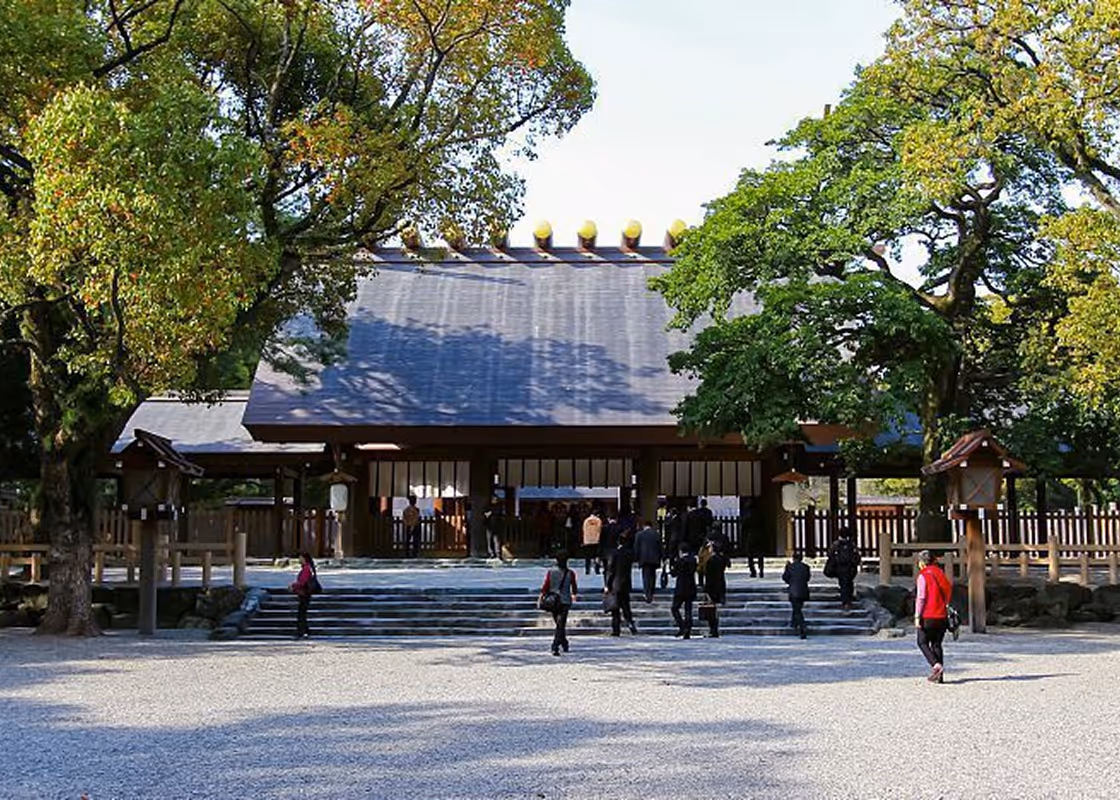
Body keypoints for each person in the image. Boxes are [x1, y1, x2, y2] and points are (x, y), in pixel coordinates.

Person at [915, 549, 952, 683]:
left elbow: (921, 597)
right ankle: (939, 677)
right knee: (937, 644)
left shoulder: (923, 575)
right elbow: (948, 590)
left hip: (927, 615)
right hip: (941, 614)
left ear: (922, 563)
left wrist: (917, 616)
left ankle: (936, 665)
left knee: (922, 642)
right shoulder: (941, 574)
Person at [540, 550, 579, 656]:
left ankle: (558, 644)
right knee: (560, 624)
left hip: (553, 600)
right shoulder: (570, 573)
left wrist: (541, 596)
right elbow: (574, 587)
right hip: (565, 600)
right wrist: (574, 594)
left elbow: (546, 585)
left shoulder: (551, 572)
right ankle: (560, 644)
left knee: (559, 624)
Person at [604, 529, 638, 636]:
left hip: (615, 583)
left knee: (615, 609)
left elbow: (611, 570)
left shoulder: (615, 554)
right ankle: (630, 623)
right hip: (626, 583)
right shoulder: (629, 554)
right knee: (626, 606)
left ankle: (616, 629)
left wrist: (607, 584)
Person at [827, 527, 861, 609]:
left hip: (840, 567)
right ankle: (849, 599)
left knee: (843, 584)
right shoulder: (852, 544)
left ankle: (845, 601)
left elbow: (830, 554)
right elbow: (857, 555)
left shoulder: (836, 544)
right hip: (850, 567)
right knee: (849, 582)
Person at [670, 542, 698, 639]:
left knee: (674, 608)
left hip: (681, 587)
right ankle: (688, 629)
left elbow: (674, 573)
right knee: (688, 609)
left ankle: (682, 626)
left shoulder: (679, 561)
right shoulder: (693, 560)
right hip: (691, 587)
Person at [703, 541, 730, 637]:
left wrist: (706, 590)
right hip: (721, 584)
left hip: (712, 586)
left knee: (711, 609)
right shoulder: (722, 559)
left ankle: (713, 630)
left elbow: (709, 576)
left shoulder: (711, 561)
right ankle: (714, 629)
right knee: (716, 609)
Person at [782, 550, 810, 639]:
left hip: (794, 591)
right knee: (797, 608)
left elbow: (785, 578)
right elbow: (807, 578)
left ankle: (802, 627)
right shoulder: (806, 567)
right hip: (803, 590)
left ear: (793, 558)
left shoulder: (790, 567)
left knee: (797, 610)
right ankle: (793, 623)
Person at [289, 551, 317, 638]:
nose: (299, 559)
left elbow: (302, 582)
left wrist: (293, 586)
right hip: (305, 593)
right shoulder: (308, 568)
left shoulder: (306, 569)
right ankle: (306, 630)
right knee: (302, 613)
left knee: (301, 614)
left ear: (304, 558)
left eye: (300, 557)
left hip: (304, 593)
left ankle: (300, 631)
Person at [634, 519, 662, 603]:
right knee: (652, 576)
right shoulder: (656, 534)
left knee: (646, 576)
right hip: (654, 558)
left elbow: (637, 547)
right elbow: (660, 547)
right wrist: (662, 557)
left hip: (644, 558)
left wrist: (636, 558)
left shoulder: (639, 534)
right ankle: (651, 591)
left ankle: (647, 593)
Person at [741, 497, 765, 578]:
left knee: (750, 554)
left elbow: (744, 526)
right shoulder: (760, 514)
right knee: (760, 553)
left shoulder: (748, 514)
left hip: (751, 535)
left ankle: (753, 571)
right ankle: (761, 569)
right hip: (760, 535)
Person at [581, 507, 602, 574]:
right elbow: (600, 530)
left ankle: (587, 570)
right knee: (597, 556)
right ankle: (597, 569)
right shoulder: (598, 520)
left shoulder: (586, 520)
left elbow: (583, 530)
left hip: (587, 541)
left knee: (587, 557)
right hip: (596, 541)